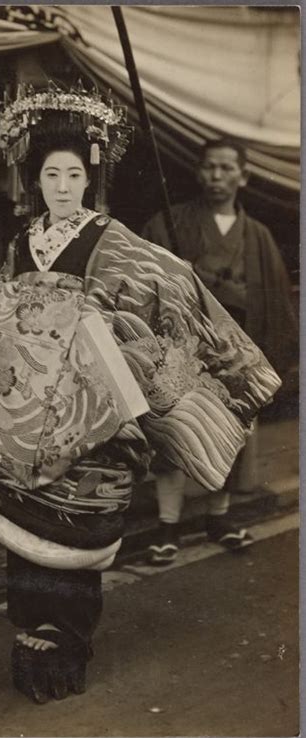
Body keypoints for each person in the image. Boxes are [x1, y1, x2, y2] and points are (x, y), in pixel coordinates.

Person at [0, 87, 281, 704]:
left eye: (75, 173)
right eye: (51, 174)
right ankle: (29, 627)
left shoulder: (115, 240)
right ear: (35, 180)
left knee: (77, 522)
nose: (63, 185)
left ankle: (68, 639)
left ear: (89, 177)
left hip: (91, 404)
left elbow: (171, 283)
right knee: (23, 520)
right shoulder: (22, 244)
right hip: (23, 406)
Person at [142, 137, 297, 564]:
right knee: (174, 434)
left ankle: (219, 517)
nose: (216, 176)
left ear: (243, 176)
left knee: (228, 438)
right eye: (209, 167)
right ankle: (167, 526)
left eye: (227, 168)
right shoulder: (169, 222)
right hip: (182, 353)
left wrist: (219, 287)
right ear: (198, 172)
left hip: (234, 358)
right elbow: (143, 280)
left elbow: (273, 300)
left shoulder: (258, 237)